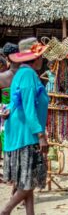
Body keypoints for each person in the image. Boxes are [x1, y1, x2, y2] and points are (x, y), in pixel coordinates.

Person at [1, 38, 49, 215]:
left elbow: (16, 103)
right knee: (30, 183)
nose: (43, 59)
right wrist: (41, 136)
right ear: (35, 58)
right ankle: (5, 211)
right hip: (27, 134)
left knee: (26, 183)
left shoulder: (21, 73)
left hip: (21, 132)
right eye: (41, 56)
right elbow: (29, 109)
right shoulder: (28, 75)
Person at [0, 43, 20, 171]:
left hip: (4, 114)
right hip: (22, 113)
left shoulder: (2, 77)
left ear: (6, 58)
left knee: (5, 141)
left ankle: (8, 172)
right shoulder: (26, 75)